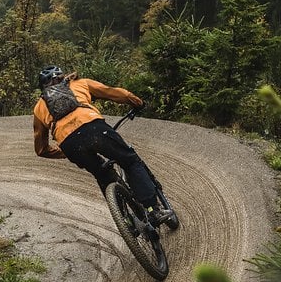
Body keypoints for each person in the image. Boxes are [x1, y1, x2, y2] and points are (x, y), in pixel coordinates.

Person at [32, 65, 174, 226]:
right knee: (130, 161)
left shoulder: (38, 107)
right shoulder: (79, 83)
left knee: (102, 174)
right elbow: (113, 93)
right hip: (93, 127)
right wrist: (137, 102)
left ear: (42, 87)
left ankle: (126, 222)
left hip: (69, 144)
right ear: (62, 77)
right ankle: (154, 210)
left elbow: (41, 149)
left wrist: (64, 152)